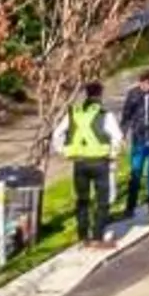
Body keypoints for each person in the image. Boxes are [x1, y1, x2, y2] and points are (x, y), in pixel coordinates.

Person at [55, 81, 119, 249]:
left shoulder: (74, 112)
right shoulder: (105, 114)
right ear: (100, 94)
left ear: (86, 94)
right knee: (102, 200)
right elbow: (117, 137)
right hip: (99, 162)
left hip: (80, 162)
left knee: (82, 200)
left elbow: (57, 134)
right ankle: (97, 237)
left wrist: (64, 151)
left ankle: (83, 236)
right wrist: (112, 155)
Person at [116, 70, 149, 233]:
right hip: (139, 138)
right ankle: (130, 206)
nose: (145, 86)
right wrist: (122, 134)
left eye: (148, 83)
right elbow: (126, 115)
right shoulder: (133, 95)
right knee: (135, 172)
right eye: (142, 83)